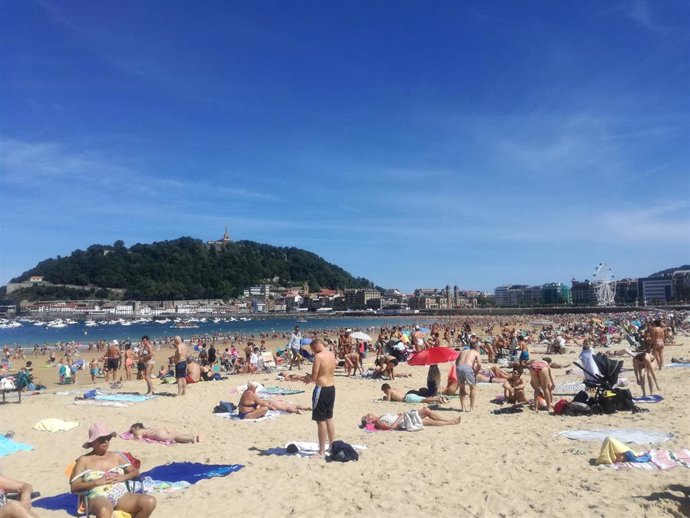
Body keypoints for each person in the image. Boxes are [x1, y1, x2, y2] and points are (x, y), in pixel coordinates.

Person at [69, 423, 156, 518]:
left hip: (120, 493)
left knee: (149, 502)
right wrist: (96, 482)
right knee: (104, 510)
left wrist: (123, 477)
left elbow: (135, 472)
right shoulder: (84, 460)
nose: (106, 441)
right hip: (97, 496)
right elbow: (74, 487)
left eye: (108, 438)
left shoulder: (116, 455)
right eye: (102, 439)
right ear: (92, 442)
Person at [302, 338, 336, 457]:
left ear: (315, 346)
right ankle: (332, 446)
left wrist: (307, 378)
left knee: (320, 421)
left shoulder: (318, 357)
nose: (313, 352)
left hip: (321, 389)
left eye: (312, 350)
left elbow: (314, 377)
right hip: (331, 388)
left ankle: (321, 451)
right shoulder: (331, 354)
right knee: (329, 418)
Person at [237, 381, 311, 419]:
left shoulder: (247, 392)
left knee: (274, 404)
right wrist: (272, 407)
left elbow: (260, 402)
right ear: (253, 388)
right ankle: (297, 409)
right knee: (266, 408)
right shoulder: (251, 394)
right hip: (246, 415)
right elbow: (262, 403)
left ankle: (297, 408)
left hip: (244, 413)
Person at [361, 407, 461, 430]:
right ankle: (450, 422)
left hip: (404, 417)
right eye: (368, 416)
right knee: (428, 421)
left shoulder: (381, 416)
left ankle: (447, 420)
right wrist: (400, 417)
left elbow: (392, 418)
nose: (370, 414)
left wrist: (398, 414)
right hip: (404, 422)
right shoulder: (378, 422)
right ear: (370, 421)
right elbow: (392, 427)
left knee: (426, 410)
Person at [455, 342, 481, 412]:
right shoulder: (476, 353)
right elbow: (479, 364)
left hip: (459, 368)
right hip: (467, 368)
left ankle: (463, 407)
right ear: (476, 348)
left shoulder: (463, 351)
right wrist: (476, 372)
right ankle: (471, 407)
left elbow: (456, 362)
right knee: (472, 388)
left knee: (462, 387)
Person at [129, 423, 200, 444]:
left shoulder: (138, 432)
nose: (132, 432)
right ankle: (191, 436)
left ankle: (191, 439)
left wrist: (134, 438)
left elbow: (139, 437)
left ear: (137, 428)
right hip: (162, 429)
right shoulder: (147, 428)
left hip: (158, 435)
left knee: (175, 437)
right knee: (176, 434)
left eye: (132, 430)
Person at [380, 383, 448, 404]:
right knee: (425, 399)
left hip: (407, 398)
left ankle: (438, 399)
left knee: (424, 400)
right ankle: (440, 398)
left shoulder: (389, 391)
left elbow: (388, 401)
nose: (385, 393)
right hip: (408, 395)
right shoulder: (394, 389)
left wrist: (384, 399)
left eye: (384, 391)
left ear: (386, 389)